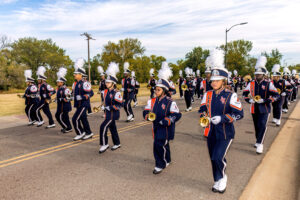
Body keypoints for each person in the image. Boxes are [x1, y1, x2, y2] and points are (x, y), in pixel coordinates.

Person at [198, 49, 244, 193]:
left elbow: (239, 114)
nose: (214, 83)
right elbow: (201, 110)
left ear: (223, 81)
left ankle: (223, 177)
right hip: (210, 131)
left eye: (217, 80)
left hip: (225, 133)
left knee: (218, 157)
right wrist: (204, 116)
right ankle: (217, 179)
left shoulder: (231, 95)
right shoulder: (207, 94)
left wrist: (223, 118)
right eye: (212, 80)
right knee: (213, 158)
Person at [143, 61, 181, 174]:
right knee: (164, 144)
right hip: (156, 127)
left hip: (166, 128)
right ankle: (167, 159)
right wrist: (146, 116)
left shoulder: (170, 102)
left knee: (158, 145)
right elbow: (145, 110)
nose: (156, 91)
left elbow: (177, 114)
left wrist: (167, 120)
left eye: (158, 89)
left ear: (164, 91)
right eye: (155, 89)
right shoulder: (152, 101)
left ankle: (160, 164)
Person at [243, 56, 280, 154]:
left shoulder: (268, 84)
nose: (257, 75)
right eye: (256, 74)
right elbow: (245, 93)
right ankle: (258, 140)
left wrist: (265, 100)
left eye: (259, 74)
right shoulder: (251, 83)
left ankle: (260, 143)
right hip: (254, 108)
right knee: (256, 126)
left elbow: (276, 95)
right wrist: (249, 100)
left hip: (265, 109)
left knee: (262, 125)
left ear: (263, 74)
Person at [99, 62, 123, 153]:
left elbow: (120, 105)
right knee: (113, 128)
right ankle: (117, 143)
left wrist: (109, 107)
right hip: (108, 114)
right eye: (106, 82)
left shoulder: (116, 93)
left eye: (108, 82)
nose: (106, 83)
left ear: (113, 83)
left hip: (113, 114)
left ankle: (104, 144)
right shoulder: (105, 92)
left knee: (103, 127)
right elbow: (105, 102)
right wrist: (102, 107)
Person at [72, 58, 94, 141]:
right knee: (83, 119)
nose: (75, 75)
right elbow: (76, 94)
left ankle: (80, 133)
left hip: (83, 104)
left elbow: (91, 93)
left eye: (76, 74)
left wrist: (82, 97)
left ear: (81, 75)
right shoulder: (76, 83)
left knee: (75, 119)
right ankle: (89, 132)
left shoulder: (85, 83)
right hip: (78, 104)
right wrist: (72, 97)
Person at [55, 68, 72, 133]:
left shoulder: (66, 89)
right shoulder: (59, 89)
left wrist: (61, 99)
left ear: (62, 82)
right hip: (60, 106)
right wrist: (57, 100)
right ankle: (68, 127)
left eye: (58, 82)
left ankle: (67, 127)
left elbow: (69, 98)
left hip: (64, 107)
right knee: (65, 118)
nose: (57, 83)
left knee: (59, 116)